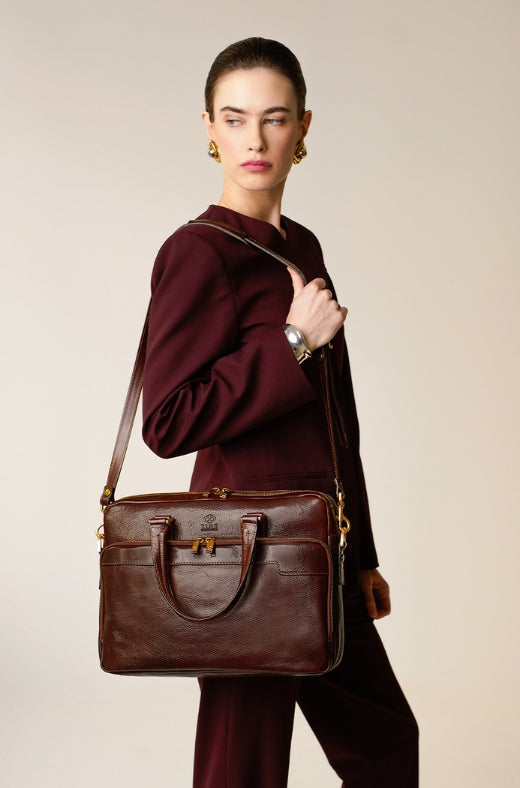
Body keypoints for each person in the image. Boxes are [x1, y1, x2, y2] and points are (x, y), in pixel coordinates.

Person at [142, 36, 418, 788]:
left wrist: (361, 555)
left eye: (274, 118)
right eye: (235, 119)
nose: (255, 140)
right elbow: (167, 420)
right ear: (209, 128)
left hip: (322, 548)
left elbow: (335, 420)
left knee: (387, 745)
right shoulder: (197, 252)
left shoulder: (303, 246)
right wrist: (291, 342)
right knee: (244, 765)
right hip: (245, 556)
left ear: (302, 127)